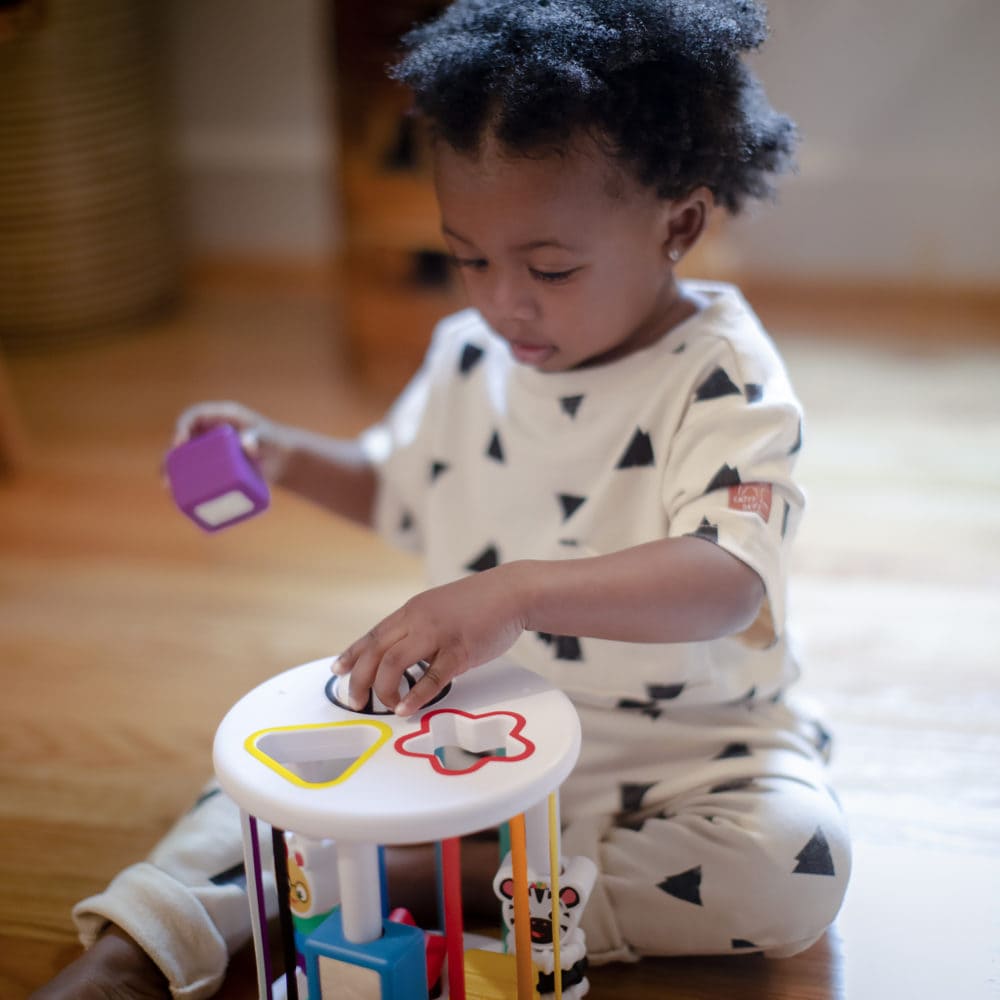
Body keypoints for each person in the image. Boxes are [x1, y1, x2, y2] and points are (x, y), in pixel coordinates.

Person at [34, 2, 851, 997]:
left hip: (685, 752)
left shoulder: (725, 377)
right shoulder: (471, 355)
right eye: (467, 256)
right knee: (260, 781)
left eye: (549, 266)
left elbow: (726, 577)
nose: (502, 300)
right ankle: (135, 948)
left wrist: (516, 592)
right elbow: (400, 490)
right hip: (475, 727)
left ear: (677, 222)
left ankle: (427, 870)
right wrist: (285, 456)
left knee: (795, 865)